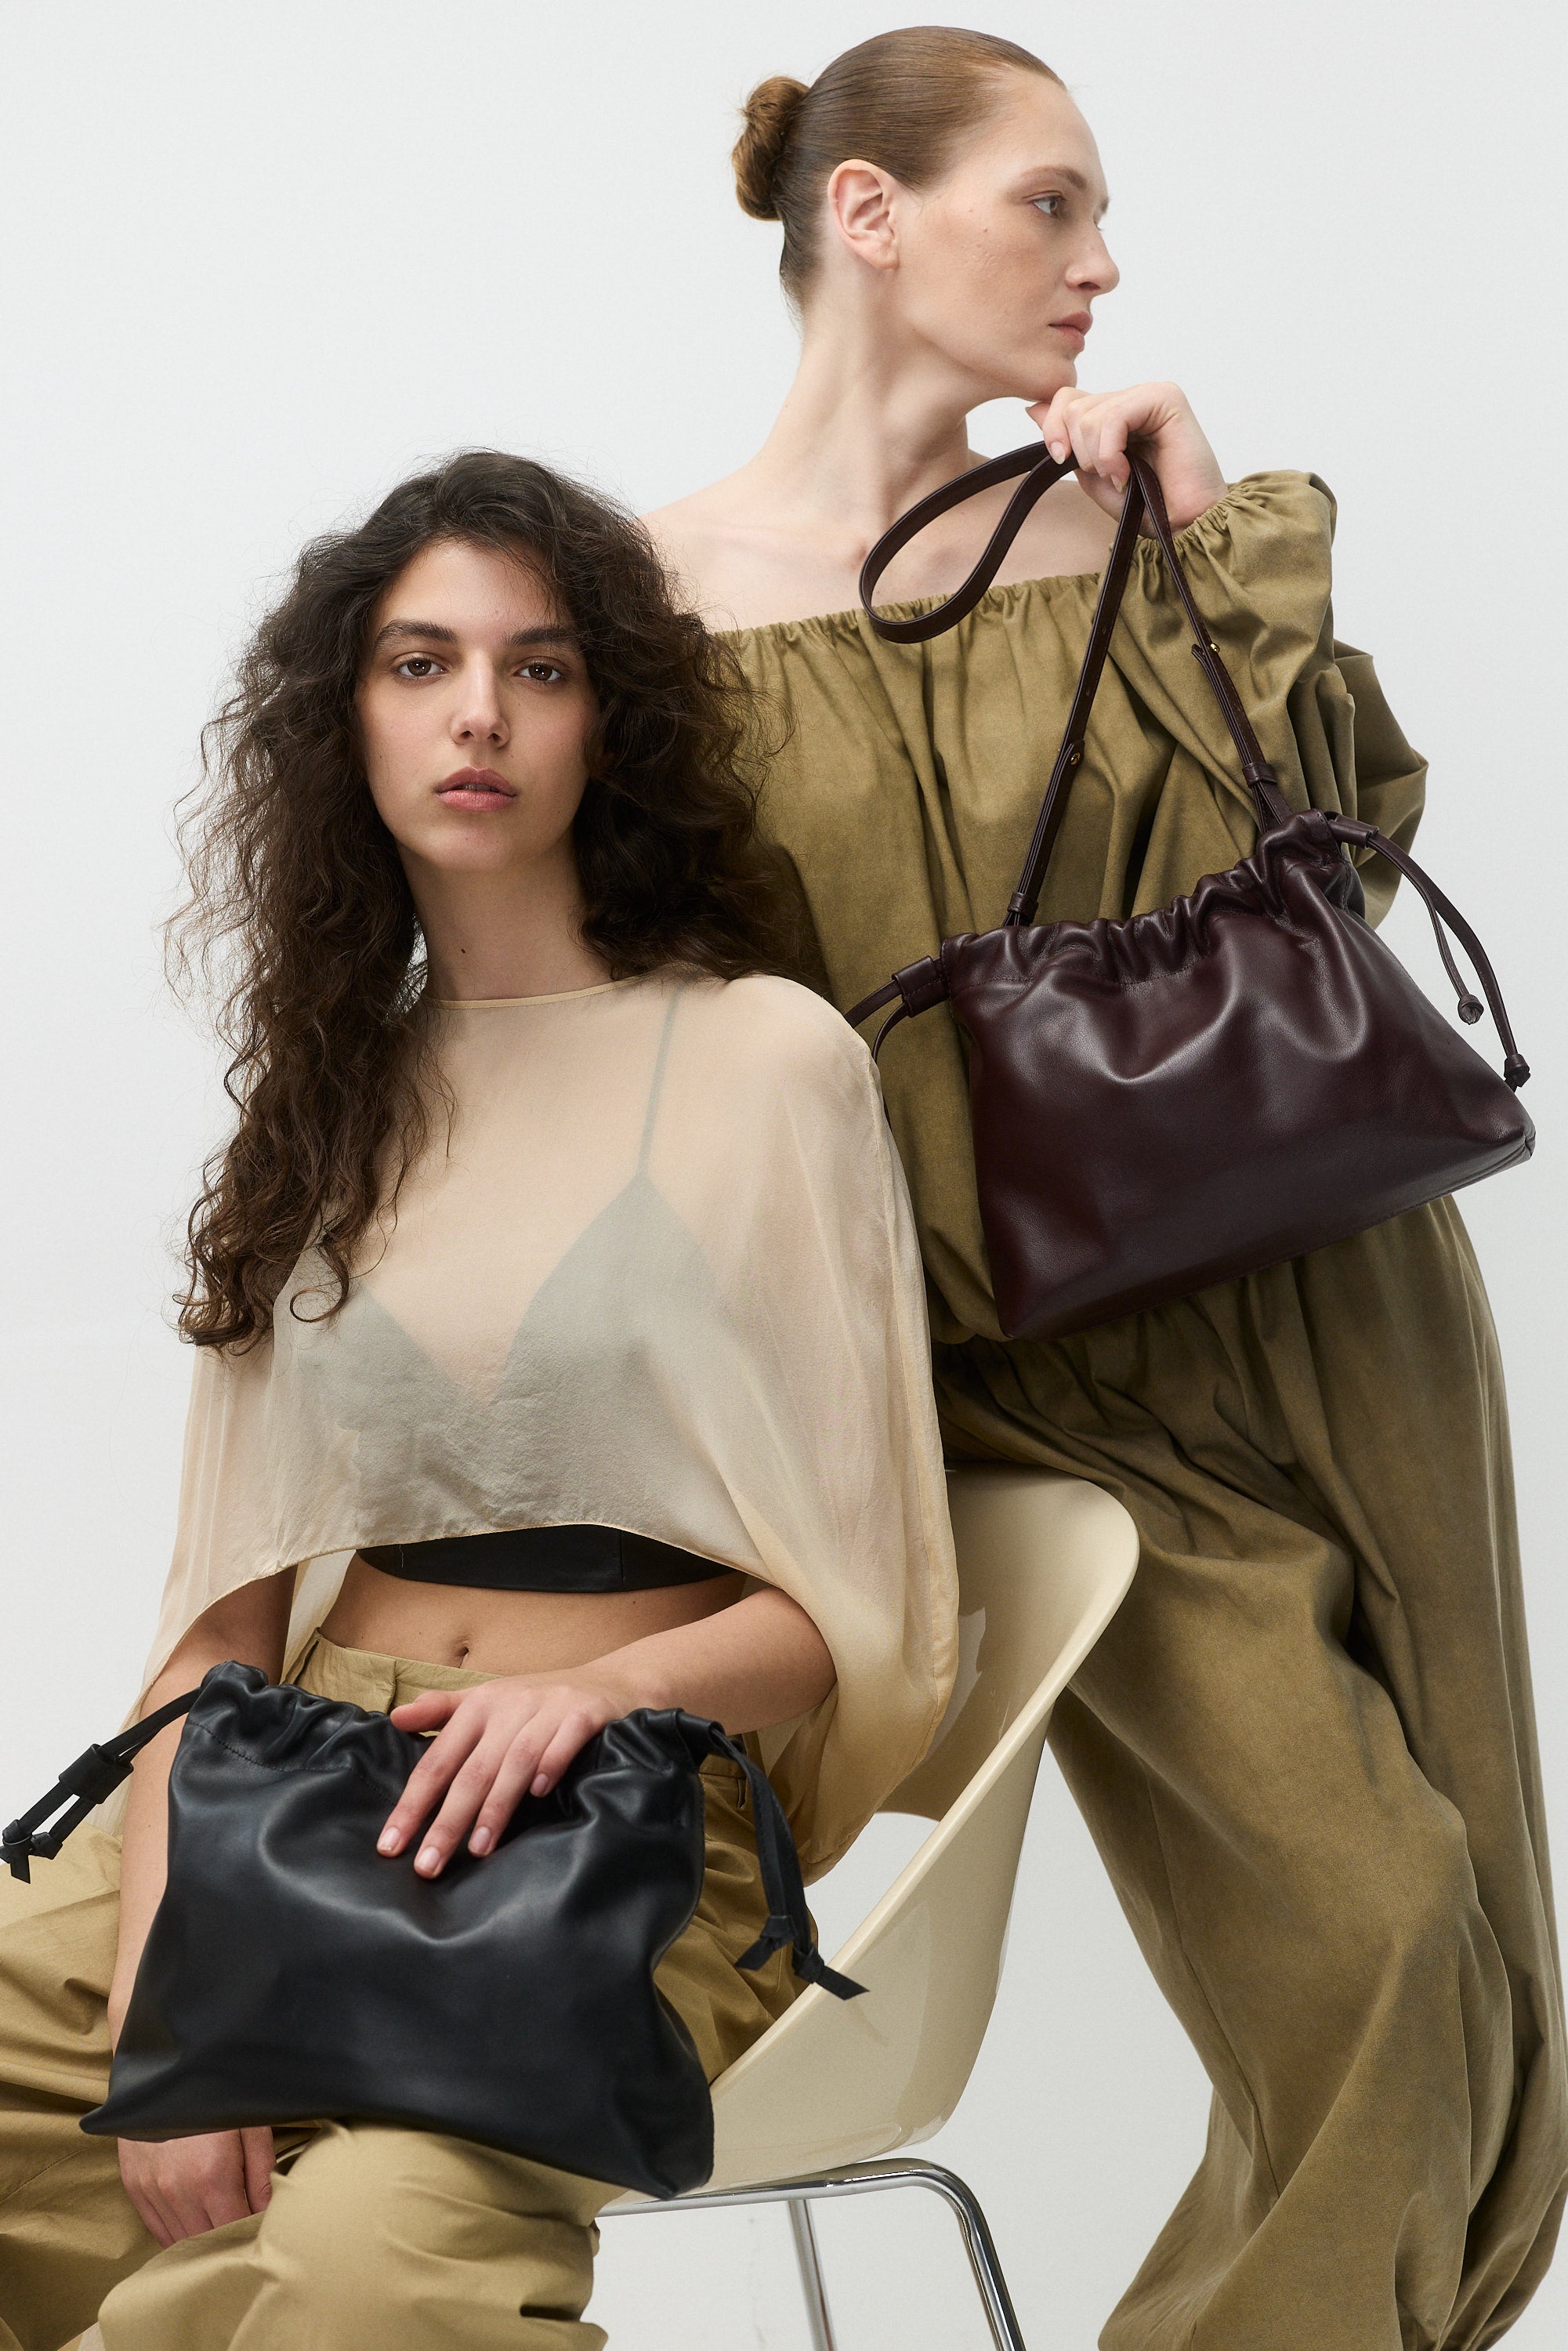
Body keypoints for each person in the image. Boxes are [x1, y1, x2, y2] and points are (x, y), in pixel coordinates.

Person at [643, 27, 1567, 2350]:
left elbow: (1341, 867)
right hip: (1026, 1384)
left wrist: (1204, 526)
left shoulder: (1124, 528)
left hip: (1339, 1303)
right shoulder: (655, 611)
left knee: (1497, 1989)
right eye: (1045, 203)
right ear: (870, 218)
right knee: (1379, 1937)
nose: (1102, 260)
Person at [0, 450, 958, 2351]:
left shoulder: (765, 1065)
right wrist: (162, 1991)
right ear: (341, 720)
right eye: (419, 662)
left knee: (368, 2266)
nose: (478, 717)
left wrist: (593, 1692)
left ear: (609, 717)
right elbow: (221, 1615)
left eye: (538, 668)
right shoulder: (326, 1099)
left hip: (604, 1810)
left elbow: (854, 1616)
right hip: (276, 1780)